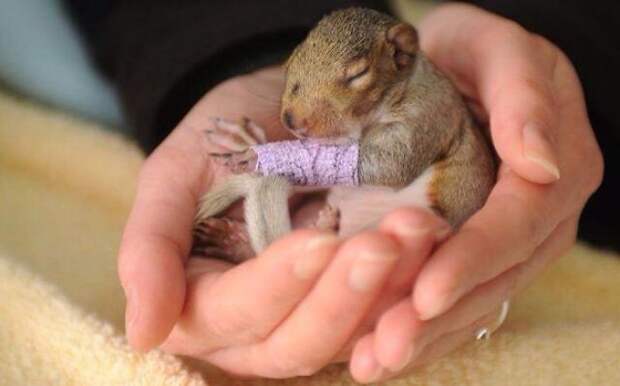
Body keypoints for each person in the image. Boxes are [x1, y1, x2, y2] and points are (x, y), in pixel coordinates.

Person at [60, 0, 614, 382]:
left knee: (354, 245)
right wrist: (248, 55)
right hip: (349, 207)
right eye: (296, 80)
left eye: (351, 79)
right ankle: (254, 240)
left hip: (420, 205)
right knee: (303, 236)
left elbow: (380, 168)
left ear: (400, 58)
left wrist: (567, 48)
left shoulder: (425, 106)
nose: (300, 113)